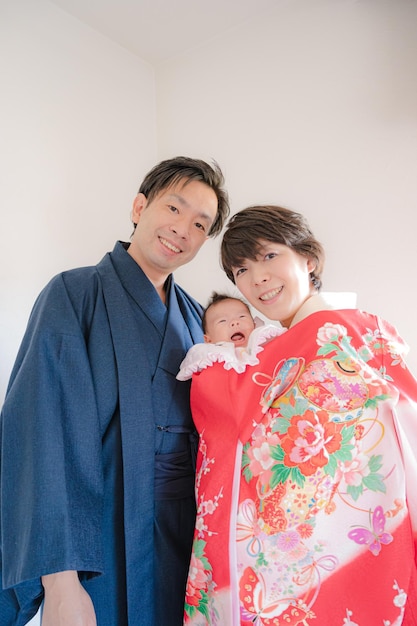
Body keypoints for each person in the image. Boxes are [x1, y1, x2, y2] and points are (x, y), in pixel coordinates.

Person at [0, 156, 230, 626]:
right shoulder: (74, 293)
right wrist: (59, 582)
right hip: (99, 538)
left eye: (200, 224)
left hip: (185, 539)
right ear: (139, 206)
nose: (182, 229)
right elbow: (42, 435)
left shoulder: (194, 318)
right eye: (173, 208)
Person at [183, 205, 417, 625]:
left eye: (269, 256)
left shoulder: (339, 332)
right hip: (312, 569)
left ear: (308, 259)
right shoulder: (276, 353)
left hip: (340, 561)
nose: (257, 279)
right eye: (241, 270)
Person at [177, 292, 285, 380]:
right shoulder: (209, 355)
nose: (235, 322)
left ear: (254, 324)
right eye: (222, 321)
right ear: (208, 339)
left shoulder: (265, 339)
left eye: (242, 316)